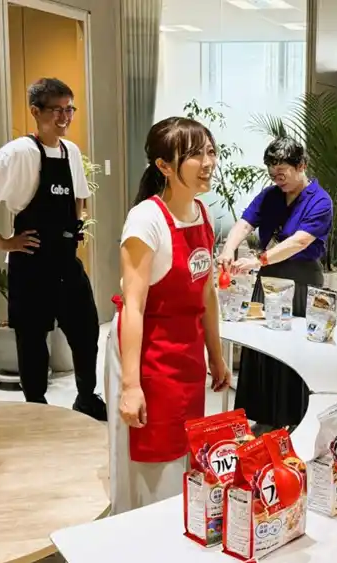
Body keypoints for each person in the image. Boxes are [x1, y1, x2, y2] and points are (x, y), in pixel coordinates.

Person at [105, 117, 231, 515]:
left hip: (186, 352)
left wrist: (216, 355)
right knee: (152, 459)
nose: (207, 162)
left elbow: (207, 293)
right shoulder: (147, 220)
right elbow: (134, 306)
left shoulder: (201, 213)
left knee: (186, 451)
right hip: (148, 353)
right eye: (194, 154)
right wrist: (131, 386)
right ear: (164, 166)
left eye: (210, 151)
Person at [0, 78, 106, 420]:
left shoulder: (71, 152)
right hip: (30, 265)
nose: (64, 117)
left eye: (69, 109)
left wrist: (76, 225)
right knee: (32, 342)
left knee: (86, 332)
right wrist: (0, 240)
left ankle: (86, 397)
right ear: (35, 111)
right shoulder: (19, 152)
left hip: (66, 263)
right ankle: (37, 409)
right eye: (57, 110)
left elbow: (80, 197)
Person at [219, 137, 333, 432]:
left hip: (301, 280)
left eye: (282, 174)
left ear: (302, 166)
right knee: (262, 347)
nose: (277, 180)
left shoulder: (320, 201)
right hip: (267, 279)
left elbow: (300, 242)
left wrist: (258, 260)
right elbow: (245, 223)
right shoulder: (270, 196)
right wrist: (229, 248)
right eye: (273, 174)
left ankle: (294, 418)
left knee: (294, 349)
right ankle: (263, 416)